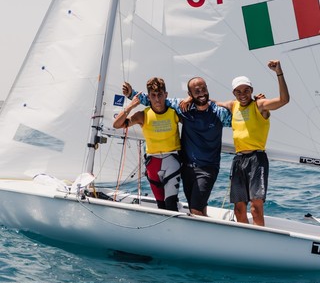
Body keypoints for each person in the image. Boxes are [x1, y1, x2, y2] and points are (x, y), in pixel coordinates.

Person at [123, 77, 231, 216]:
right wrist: (132, 94)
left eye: (203, 89)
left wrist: (260, 107)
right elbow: (157, 100)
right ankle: (202, 234)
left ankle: (199, 235)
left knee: (196, 209)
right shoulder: (183, 108)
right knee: (197, 206)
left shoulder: (219, 113)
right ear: (190, 94)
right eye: (196, 91)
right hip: (187, 167)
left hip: (207, 167)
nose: (201, 93)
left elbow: (240, 116)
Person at [218, 60, 289, 226]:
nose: (242, 94)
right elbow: (210, 102)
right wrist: (189, 98)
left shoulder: (260, 105)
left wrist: (279, 72)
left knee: (256, 206)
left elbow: (284, 100)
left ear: (252, 90)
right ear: (234, 93)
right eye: (238, 91)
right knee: (238, 208)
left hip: (257, 159)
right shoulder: (232, 105)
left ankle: (260, 238)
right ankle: (244, 238)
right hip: (238, 160)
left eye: (246, 90)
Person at [113, 77, 181, 211]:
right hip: (152, 164)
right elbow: (117, 124)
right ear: (148, 97)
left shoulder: (174, 112)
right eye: (153, 95)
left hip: (172, 160)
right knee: (161, 206)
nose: (157, 100)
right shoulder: (142, 115)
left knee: (171, 203)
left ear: (165, 95)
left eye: (160, 95)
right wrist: (131, 106)